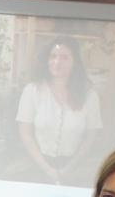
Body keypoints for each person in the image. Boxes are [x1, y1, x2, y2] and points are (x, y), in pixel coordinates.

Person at [16, 37, 102, 187]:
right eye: (53, 56)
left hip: (76, 169)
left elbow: (91, 135)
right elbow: (25, 132)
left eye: (64, 57)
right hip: (36, 166)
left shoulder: (89, 95)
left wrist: (69, 169)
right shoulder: (32, 90)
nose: (57, 62)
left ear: (75, 62)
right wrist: (47, 169)